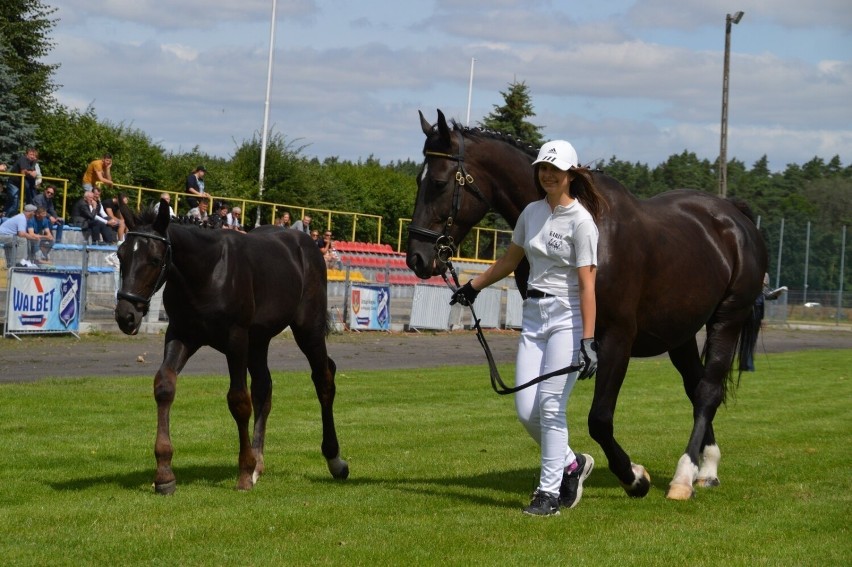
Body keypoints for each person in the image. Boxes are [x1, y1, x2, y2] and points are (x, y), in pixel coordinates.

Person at [450, 140, 605, 517]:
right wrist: (473, 286)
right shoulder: (531, 213)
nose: (548, 175)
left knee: (551, 408)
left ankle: (548, 495)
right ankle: (572, 463)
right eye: (543, 168)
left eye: (555, 169)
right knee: (525, 410)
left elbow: (588, 285)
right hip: (533, 317)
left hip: (567, 321)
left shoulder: (583, 222)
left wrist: (588, 339)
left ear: (571, 174)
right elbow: (509, 261)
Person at [0, 204, 41, 268]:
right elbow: (21, 234)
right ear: (30, 212)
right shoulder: (22, 218)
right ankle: (20, 262)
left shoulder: (21, 217)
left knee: (15, 241)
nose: (34, 214)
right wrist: (33, 237)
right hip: (2, 236)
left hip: (5, 236)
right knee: (22, 240)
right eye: (34, 212)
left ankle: (10, 264)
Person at [5, 147, 38, 216]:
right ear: (26, 155)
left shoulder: (31, 163)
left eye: (34, 155)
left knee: (13, 202)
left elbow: (33, 174)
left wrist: (34, 163)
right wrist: (30, 173)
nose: (33, 156)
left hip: (19, 185)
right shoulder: (23, 159)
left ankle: (6, 217)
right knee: (15, 202)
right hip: (13, 183)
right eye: (31, 154)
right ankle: (7, 218)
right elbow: (23, 172)